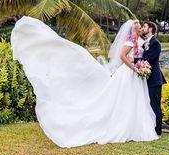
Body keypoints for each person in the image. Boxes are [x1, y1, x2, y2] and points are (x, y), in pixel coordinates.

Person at [11, 16, 158, 147]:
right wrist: (134, 67)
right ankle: (123, 126)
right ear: (134, 29)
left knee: (132, 100)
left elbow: (136, 56)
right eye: (139, 28)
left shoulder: (139, 41)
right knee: (122, 100)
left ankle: (134, 125)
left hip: (134, 75)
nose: (141, 30)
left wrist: (139, 65)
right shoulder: (129, 42)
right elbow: (122, 56)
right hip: (128, 73)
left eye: (141, 28)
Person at [142, 21, 167, 137]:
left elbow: (150, 59)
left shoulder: (155, 43)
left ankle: (158, 131)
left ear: (150, 29)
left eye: (145, 26)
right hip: (147, 78)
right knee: (148, 104)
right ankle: (150, 127)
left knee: (155, 104)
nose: (143, 28)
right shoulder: (145, 43)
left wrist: (134, 61)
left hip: (155, 79)